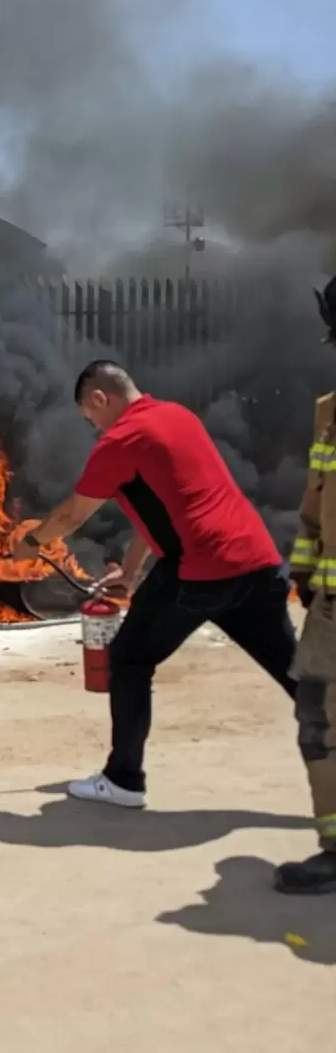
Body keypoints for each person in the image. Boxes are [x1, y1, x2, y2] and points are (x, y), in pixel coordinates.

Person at [14, 360, 297, 811]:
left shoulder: (121, 440)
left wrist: (30, 542)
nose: (94, 427)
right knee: (298, 674)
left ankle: (123, 780)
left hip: (202, 567)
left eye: (91, 417)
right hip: (257, 560)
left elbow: (70, 515)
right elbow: (172, 502)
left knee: (128, 658)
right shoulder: (177, 417)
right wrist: (130, 571)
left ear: (100, 399)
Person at [277, 277, 336, 895]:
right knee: (316, 715)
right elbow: (316, 503)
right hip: (329, 610)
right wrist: (302, 568)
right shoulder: (330, 412)